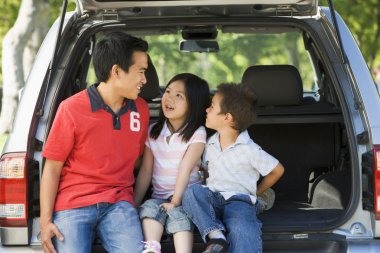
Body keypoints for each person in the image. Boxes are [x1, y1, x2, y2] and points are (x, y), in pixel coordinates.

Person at [39, 32, 150, 253]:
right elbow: (51, 169)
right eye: (141, 72)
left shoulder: (141, 110)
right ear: (116, 71)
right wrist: (45, 222)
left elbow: (137, 161)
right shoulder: (71, 108)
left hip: (119, 204)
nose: (144, 80)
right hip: (73, 204)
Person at [182, 83, 285, 253]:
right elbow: (204, 169)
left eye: (212, 107)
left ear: (227, 118)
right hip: (213, 197)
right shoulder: (209, 143)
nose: (206, 110)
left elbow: (278, 169)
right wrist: (201, 176)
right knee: (192, 192)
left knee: (241, 228)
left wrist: (257, 193)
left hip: (239, 201)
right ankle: (216, 236)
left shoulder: (249, 149)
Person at [134, 73, 211, 253]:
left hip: (185, 197)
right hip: (159, 196)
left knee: (180, 216)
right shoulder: (153, 131)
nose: (169, 98)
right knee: (149, 210)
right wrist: (134, 202)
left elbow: (185, 168)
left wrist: (175, 201)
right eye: (168, 91)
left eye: (179, 96)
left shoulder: (197, 133)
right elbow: (146, 170)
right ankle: (152, 247)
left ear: (194, 105)